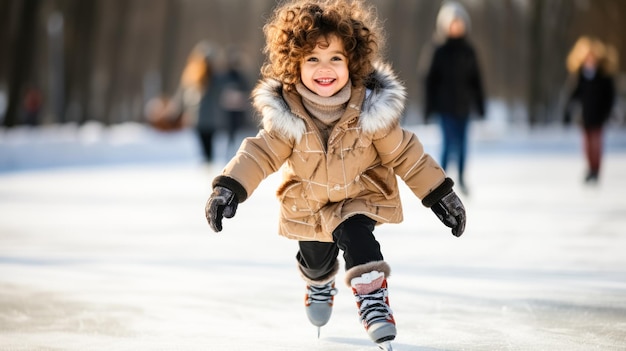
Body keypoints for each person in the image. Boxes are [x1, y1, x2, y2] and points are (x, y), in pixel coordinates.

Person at [204, 0, 466, 348]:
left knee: (359, 240)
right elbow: (260, 153)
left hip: (359, 197)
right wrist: (229, 187)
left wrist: (439, 193)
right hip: (308, 207)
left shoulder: (371, 111)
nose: (323, 68)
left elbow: (406, 154)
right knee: (315, 261)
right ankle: (318, 282)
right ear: (294, 63)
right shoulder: (288, 117)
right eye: (312, 58)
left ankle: (373, 302)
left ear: (352, 62)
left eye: (335, 59)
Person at [424, 1, 485, 195]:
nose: (456, 27)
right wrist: (429, 106)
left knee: (463, 144)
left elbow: (476, 80)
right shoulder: (437, 50)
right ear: (445, 25)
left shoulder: (469, 51)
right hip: (445, 107)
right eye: (452, 23)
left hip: (463, 107)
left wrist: (480, 104)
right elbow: (428, 80)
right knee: (448, 144)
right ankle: (441, 180)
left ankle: (461, 177)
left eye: (459, 23)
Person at [564, 36, 617, 184]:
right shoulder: (581, 75)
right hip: (585, 116)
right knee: (587, 145)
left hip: (599, 116)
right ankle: (590, 168)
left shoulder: (604, 76)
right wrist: (567, 111)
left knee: (596, 144)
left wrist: (607, 113)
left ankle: (596, 170)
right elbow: (573, 95)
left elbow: (610, 97)